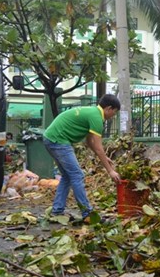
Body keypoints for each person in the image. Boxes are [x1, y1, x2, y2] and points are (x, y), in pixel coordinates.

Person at [43, 94, 121, 223]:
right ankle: (87, 213)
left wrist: (105, 158)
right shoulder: (96, 118)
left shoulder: (92, 112)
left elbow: (90, 143)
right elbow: (98, 147)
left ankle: (57, 211)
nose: (114, 115)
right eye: (115, 112)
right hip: (59, 140)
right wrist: (110, 171)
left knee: (68, 176)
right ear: (109, 108)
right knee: (77, 175)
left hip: (52, 138)